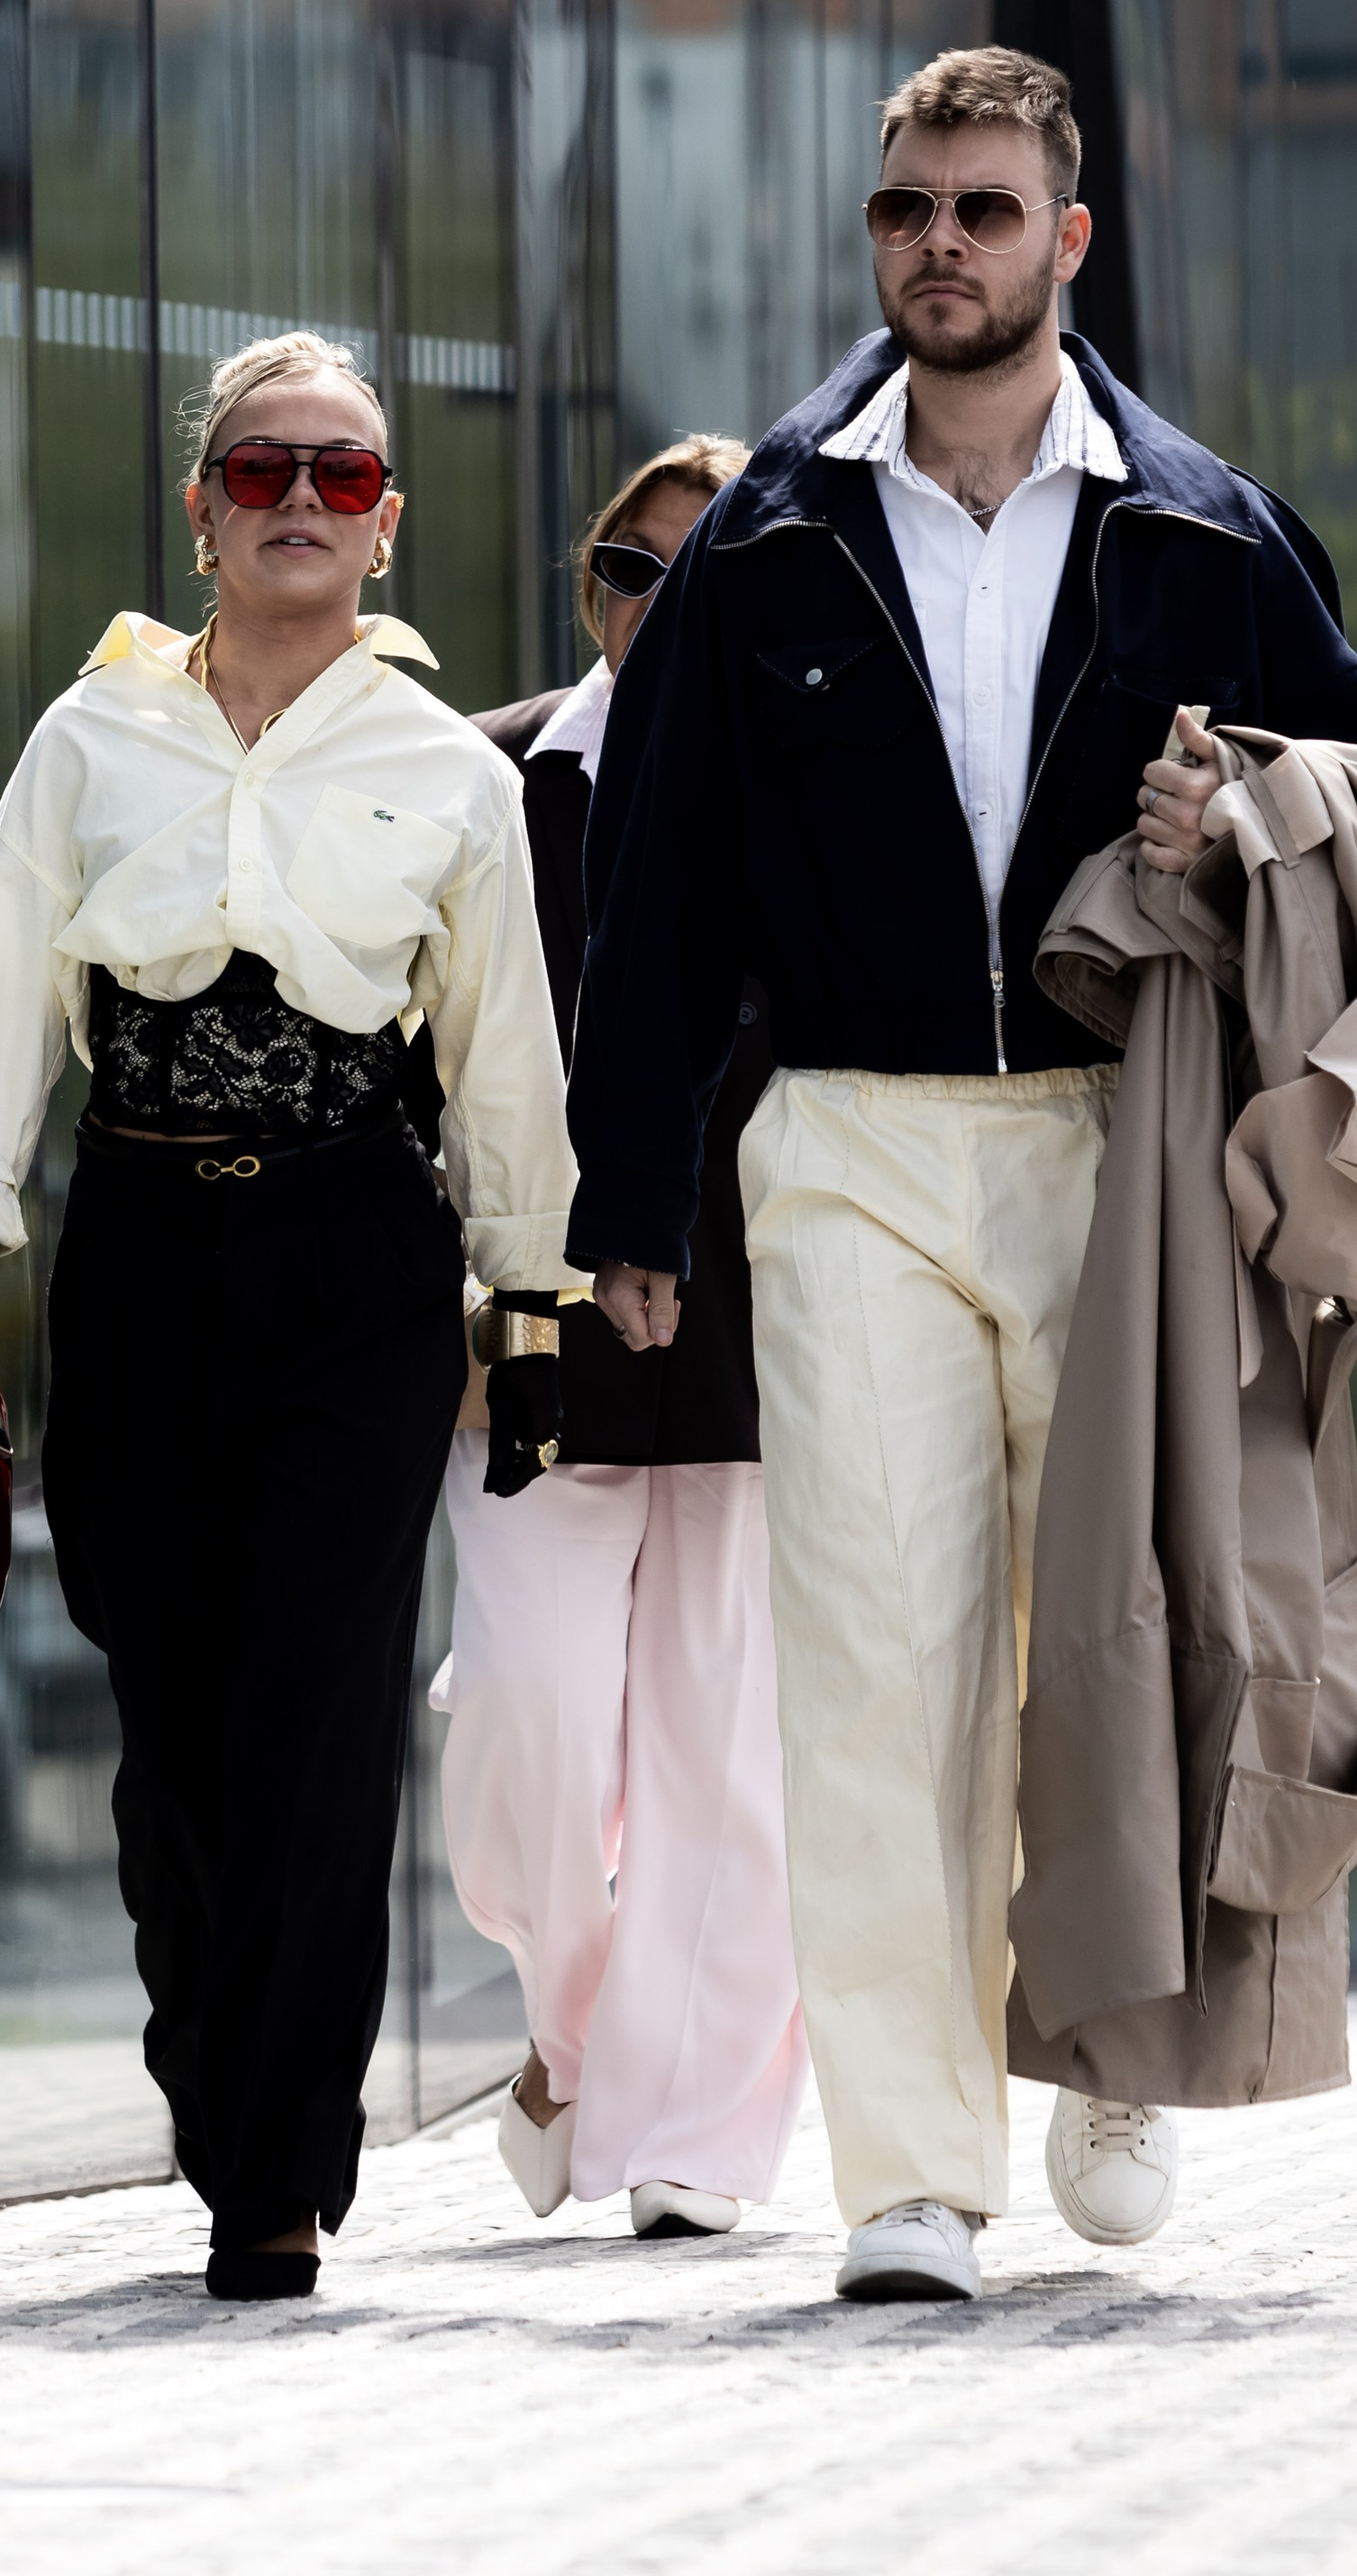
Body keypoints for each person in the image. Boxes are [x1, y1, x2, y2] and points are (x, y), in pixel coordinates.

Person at [568, 45, 1357, 2302]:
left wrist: (1231, 822)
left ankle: (1114, 2047)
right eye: (902, 210)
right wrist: (630, 1200)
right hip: (845, 1144)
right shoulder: (762, 535)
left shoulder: (1201, 528)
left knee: (1110, 1640)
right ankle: (910, 2176)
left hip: (1115, 1147)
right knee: (877, 1663)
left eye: (978, 207)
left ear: (1066, 237)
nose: (935, 244)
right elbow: (650, 884)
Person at [0, 329, 582, 2303]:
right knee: (168, 1710)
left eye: (340, 475)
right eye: (262, 469)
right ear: (201, 509)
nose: (299, 502)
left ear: (386, 522)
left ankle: (275, 2170)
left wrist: (525, 1306)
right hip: (137, 1254)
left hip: (359, 1265)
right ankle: (218, 2072)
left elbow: (506, 1057)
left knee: (320, 1714)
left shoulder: (452, 772)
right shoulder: (84, 740)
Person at [442, 434, 809, 2243]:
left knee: (726, 1749)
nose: (659, 601)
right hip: (528, 1319)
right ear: (590, 583)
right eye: (629, 565)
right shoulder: (484, 778)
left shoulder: (830, 783)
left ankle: (696, 2141)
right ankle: (575, 2032)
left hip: (769, 1321)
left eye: (704, 567)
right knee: (525, 1709)